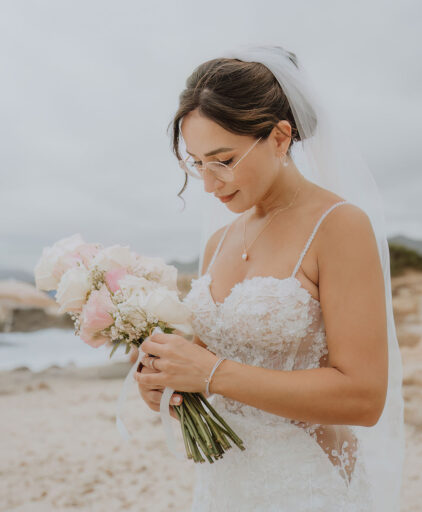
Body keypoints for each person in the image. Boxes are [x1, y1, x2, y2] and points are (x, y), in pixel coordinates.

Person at [130, 45, 404, 511]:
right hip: (223, 484)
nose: (210, 183)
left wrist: (211, 373)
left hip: (306, 486)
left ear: (280, 137)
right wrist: (167, 383)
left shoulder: (338, 226)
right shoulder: (218, 242)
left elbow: (364, 397)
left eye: (224, 160)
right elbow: (211, 375)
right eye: (196, 163)